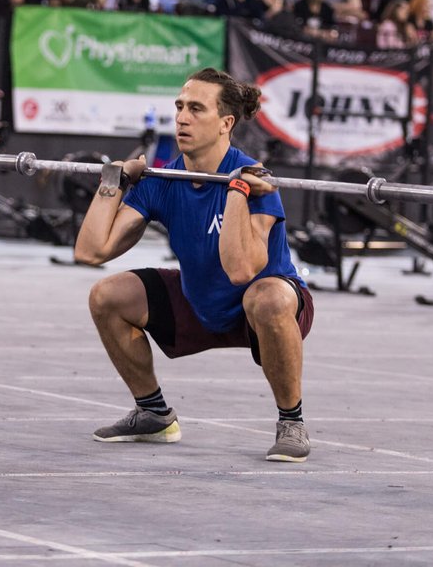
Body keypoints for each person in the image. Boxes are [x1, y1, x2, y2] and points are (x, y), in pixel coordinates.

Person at [74, 68, 314, 462]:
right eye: (180, 107)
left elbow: (242, 271)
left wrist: (237, 189)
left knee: (267, 298)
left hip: (260, 304)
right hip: (199, 299)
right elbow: (91, 251)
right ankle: (153, 413)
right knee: (107, 296)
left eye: (196, 109)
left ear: (226, 123)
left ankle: (292, 421)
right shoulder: (164, 178)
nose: (182, 117)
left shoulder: (255, 179)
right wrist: (112, 181)